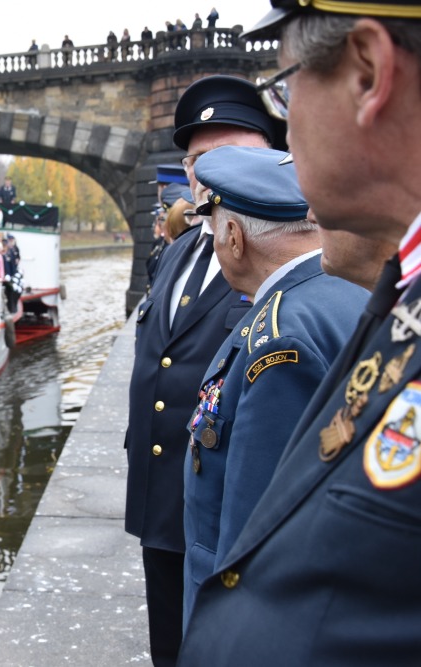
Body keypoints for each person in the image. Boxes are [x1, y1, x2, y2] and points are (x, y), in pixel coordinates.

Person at [177, 3, 421, 663]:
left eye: (285, 85)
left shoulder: (289, 332)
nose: (285, 122)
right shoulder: (399, 292)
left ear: (368, 73)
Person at [125, 74, 285, 667]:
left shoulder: (283, 254)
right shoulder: (184, 247)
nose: (205, 171)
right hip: (157, 495)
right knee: (167, 644)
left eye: (227, 155)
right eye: (196, 159)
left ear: (275, 157)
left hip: (224, 505)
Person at [181, 145, 369, 625]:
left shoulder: (280, 340)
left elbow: (255, 540)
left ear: (233, 235)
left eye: (212, 225)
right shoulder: (347, 293)